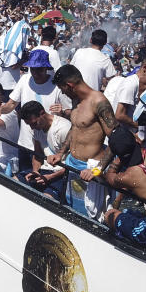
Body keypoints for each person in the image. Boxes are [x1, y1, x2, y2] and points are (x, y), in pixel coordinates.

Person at [47, 65, 118, 220]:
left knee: (93, 216)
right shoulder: (76, 101)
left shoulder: (99, 102)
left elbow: (116, 139)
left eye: (63, 90)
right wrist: (60, 153)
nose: (63, 94)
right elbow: (75, 128)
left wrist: (97, 170)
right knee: (72, 209)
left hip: (91, 170)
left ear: (70, 86)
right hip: (73, 165)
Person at [0, 50, 71, 168]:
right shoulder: (24, 80)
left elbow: (69, 114)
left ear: (46, 68)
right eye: (33, 69)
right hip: (24, 142)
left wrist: (62, 112)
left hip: (46, 148)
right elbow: (11, 104)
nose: (36, 73)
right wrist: (0, 110)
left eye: (39, 69)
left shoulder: (57, 86)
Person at [18, 101, 70, 199]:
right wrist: (35, 171)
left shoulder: (63, 128)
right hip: (44, 171)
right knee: (14, 181)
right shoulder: (35, 128)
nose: (32, 127)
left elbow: (74, 164)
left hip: (62, 175)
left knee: (46, 199)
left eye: (34, 123)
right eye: (29, 124)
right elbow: (37, 155)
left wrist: (50, 177)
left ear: (42, 113)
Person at [103, 54, 146, 130]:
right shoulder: (131, 83)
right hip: (125, 135)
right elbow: (119, 115)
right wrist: (142, 128)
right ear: (145, 67)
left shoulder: (143, 83)